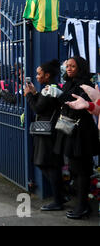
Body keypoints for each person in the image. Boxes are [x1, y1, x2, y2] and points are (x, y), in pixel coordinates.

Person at [54, 57, 99, 219]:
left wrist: (60, 95)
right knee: (75, 169)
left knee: (82, 170)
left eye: (73, 66)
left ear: (80, 68)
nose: (69, 69)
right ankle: (82, 205)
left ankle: (83, 206)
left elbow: (80, 106)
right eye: (68, 66)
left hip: (82, 133)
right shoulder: (68, 82)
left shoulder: (85, 84)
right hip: (70, 131)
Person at [24, 59, 66, 211]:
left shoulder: (49, 89)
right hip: (49, 130)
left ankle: (58, 200)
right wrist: (35, 93)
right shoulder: (48, 89)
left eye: (39, 74)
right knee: (45, 163)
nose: (36, 76)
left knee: (48, 164)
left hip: (49, 132)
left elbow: (38, 109)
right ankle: (60, 195)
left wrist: (29, 95)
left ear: (47, 75)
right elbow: (43, 106)